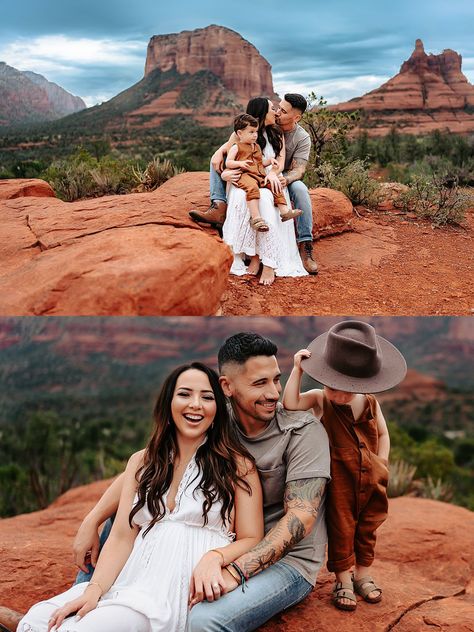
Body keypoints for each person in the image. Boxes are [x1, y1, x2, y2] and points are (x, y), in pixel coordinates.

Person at [40, 333, 330, 632]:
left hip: (286, 560)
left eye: (276, 380)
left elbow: (302, 517)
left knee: (204, 619)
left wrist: (232, 569)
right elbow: (145, 467)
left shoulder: (302, 432)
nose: (274, 394)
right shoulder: (216, 418)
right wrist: (92, 519)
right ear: (226, 388)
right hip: (231, 539)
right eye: (259, 383)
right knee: (131, 511)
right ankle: (82, 603)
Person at [17, 362, 264, 632]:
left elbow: (252, 537)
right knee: (35, 621)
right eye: (184, 394)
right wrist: (94, 589)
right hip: (128, 580)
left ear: (217, 410)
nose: (196, 404)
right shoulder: (143, 461)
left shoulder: (238, 465)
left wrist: (215, 556)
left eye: (207, 397)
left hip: (168, 594)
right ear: (168, 404)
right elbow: (122, 535)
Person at [282, 321, 407, 611]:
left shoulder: (370, 403)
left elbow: (384, 433)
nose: (337, 395)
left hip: (371, 478)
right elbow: (289, 404)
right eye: (331, 386)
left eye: (345, 390)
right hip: (339, 481)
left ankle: (363, 574)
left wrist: (382, 463)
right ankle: (343, 579)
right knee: (341, 528)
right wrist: (298, 370)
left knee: (369, 526)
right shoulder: (320, 400)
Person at [189, 94, 318, 275]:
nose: (278, 112)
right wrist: (218, 154)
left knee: (299, 190)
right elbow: (232, 145)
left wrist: (278, 176)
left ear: (296, 117)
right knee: (232, 180)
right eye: (276, 108)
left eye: (282, 110)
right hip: (251, 176)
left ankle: (304, 244)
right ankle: (218, 205)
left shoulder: (297, 136)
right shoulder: (250, 130)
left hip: (280, 177)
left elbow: (297, 168)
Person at [226, 113, 302, 230]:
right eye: (251, 132)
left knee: (274, 184)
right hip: (245, 175)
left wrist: (270, 161)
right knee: (252, 189)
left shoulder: (256, 146)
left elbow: (260, 162)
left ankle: (284, 211)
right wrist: (239, 163)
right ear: (240, 133)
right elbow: (228, 162)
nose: (255, 135)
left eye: (256, 132)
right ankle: (256, 218)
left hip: (259, 175)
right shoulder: (237, 147)